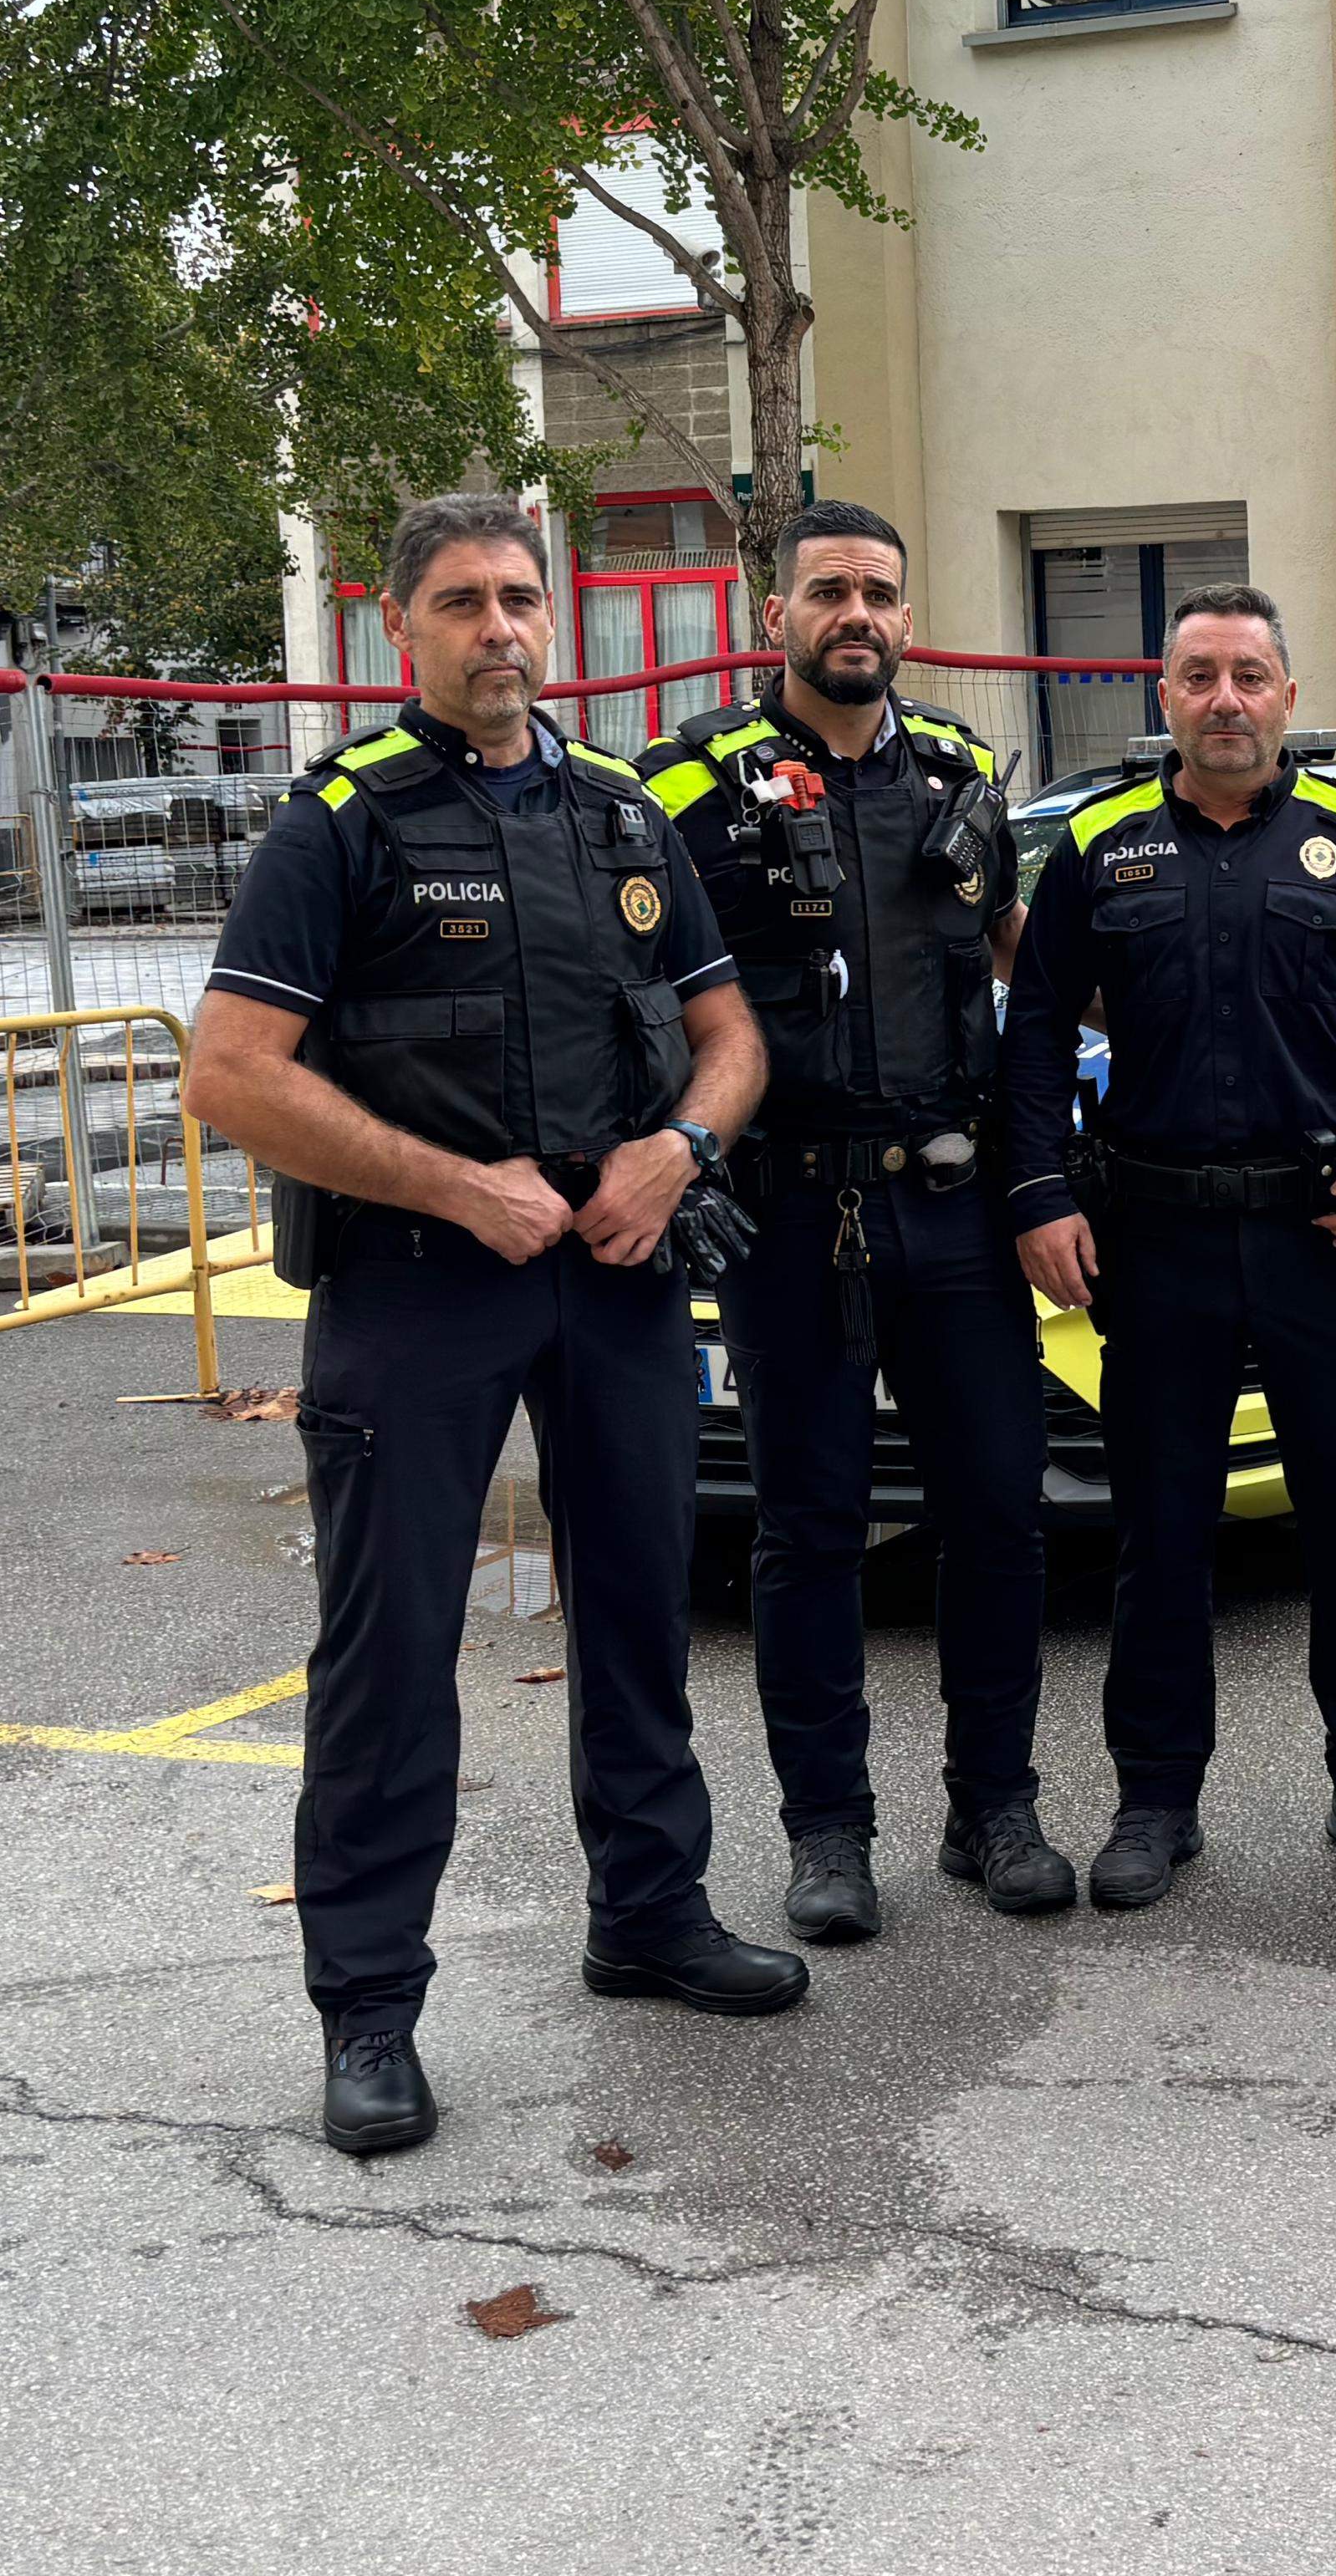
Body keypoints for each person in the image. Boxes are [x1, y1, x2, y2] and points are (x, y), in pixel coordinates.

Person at [187, 493, 802, 2161]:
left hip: (613, 1273)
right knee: (388, 1659)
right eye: (461, 602)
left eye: (522, 598)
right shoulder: (341, 827)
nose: (500, 629)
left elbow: (729, 1037)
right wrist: (465, 1190)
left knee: (638, 1612)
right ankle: (369, 2013)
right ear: (400, 628)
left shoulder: (622, 816)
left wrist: (678, 1154)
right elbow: (231, 1076)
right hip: (416, 1286)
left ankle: (651, 1916)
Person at [1001, 583, 1336, 1907]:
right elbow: (1034, 1031)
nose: (1224, 700)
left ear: (1285, 692)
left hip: (1325, 1232)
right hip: (1154, 1236)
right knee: (1162, 1531)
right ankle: (1156, 1799)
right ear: (1164, 694)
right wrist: (1039, 1193)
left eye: (1248, 677)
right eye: (1198, 676)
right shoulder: (1100, 847)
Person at [646, 501, 1069, 1942]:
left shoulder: (956, 774)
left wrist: (1042, 1179)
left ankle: (994, 1808)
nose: (857, 616)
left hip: (951, 1210)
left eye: (880, 593)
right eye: (828, 591)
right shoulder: (688, 791)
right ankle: (829, 1835)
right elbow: (634, 1005)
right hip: (787, 1216)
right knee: (809, 1535)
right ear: (778, 615)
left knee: (1000, 1520)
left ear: (905, 611)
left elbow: (1026, 980)